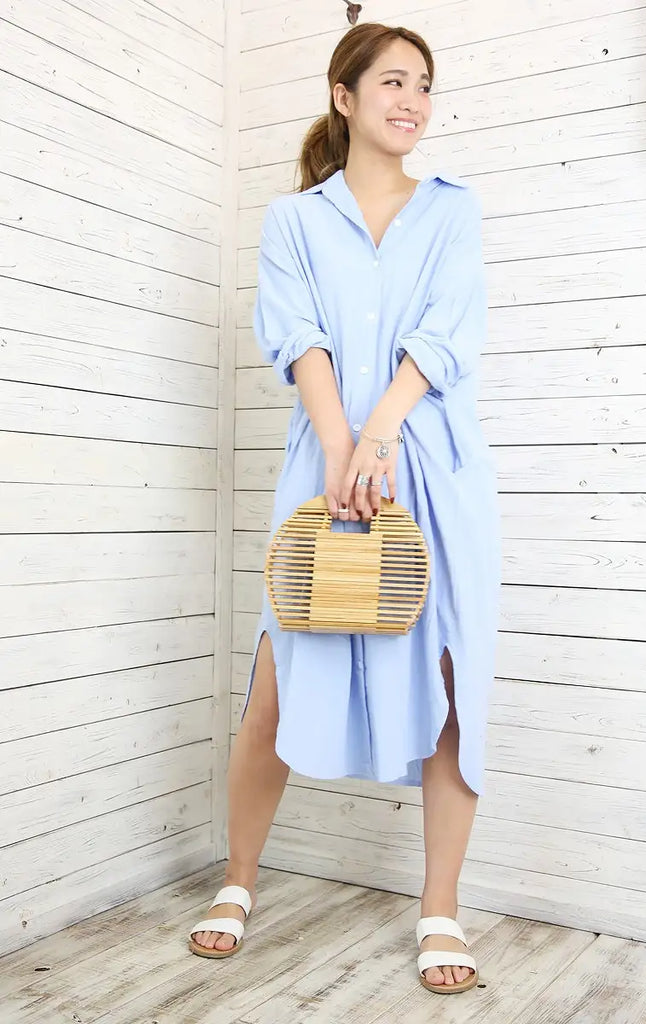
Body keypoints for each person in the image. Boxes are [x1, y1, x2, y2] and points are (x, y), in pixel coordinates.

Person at [188, 22, 501, 995]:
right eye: (393, 81)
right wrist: (339, 446)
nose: (412, 100)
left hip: (433, 473)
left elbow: (446, 333)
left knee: (451, 683)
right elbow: (297, 335)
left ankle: (439, 907)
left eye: (424, 85)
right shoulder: (294, 221)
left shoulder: (452, 210)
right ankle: (239, 880)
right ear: (344, 94)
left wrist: (381, 434)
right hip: (323, 470)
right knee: (276, 680)